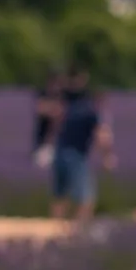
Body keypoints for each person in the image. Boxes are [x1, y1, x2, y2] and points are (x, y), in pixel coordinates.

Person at [49, 67, 117, 224]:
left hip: (59, 153)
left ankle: (55, 230)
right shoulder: (93, 112)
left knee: (60, 196)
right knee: (86, 198)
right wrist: (107, 157)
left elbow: (57, 126)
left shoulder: (72, 107)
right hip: (76, 156)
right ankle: (79, 233)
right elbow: (102, 136)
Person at [31, 72, 61, 169]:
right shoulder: (43, 94)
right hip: (43, 138)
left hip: (56, 139)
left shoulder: (60, 95)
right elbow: (41, 109)